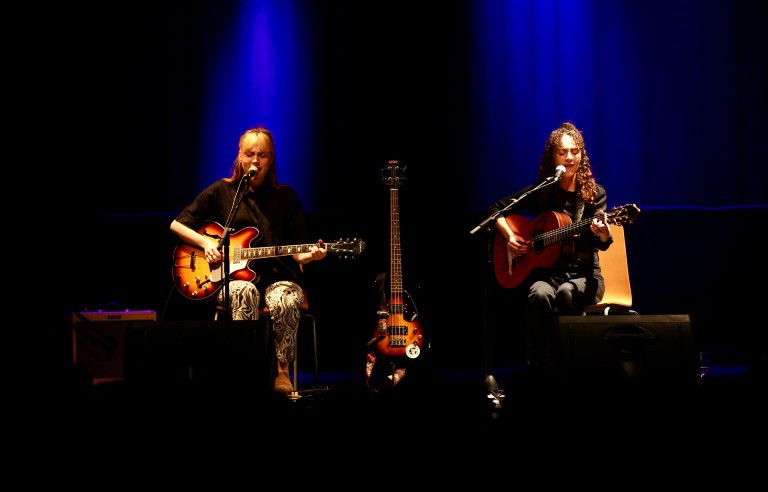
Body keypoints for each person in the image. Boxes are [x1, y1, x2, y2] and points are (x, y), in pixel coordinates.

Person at [170, 126, 327, 395]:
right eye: (250, 154)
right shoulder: (222, 192)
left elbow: (298, 252)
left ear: (270, 160)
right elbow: (176, 224)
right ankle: (246, 372)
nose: (255, 160)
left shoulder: (286, 197)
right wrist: (206, 242)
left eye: (262, 155)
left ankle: (282, 374)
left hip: (281, 278)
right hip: (237, 279)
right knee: (243, 292)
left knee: (286, 298)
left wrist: (313, 255)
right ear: (240, 158)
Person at [489, 121, 612, 376]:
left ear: (582, 155)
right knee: (539, 293)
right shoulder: (544, 191)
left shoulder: (594, 194)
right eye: (563, 152)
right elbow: (496, 211)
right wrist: (511, 237)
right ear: (552, 156)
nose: (570, 157)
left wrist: (604, 232)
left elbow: (604, 242)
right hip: (550, 275)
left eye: (575, 151)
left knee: (568, 293)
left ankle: (571, 367)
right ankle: (536, 368)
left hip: (585, 275)